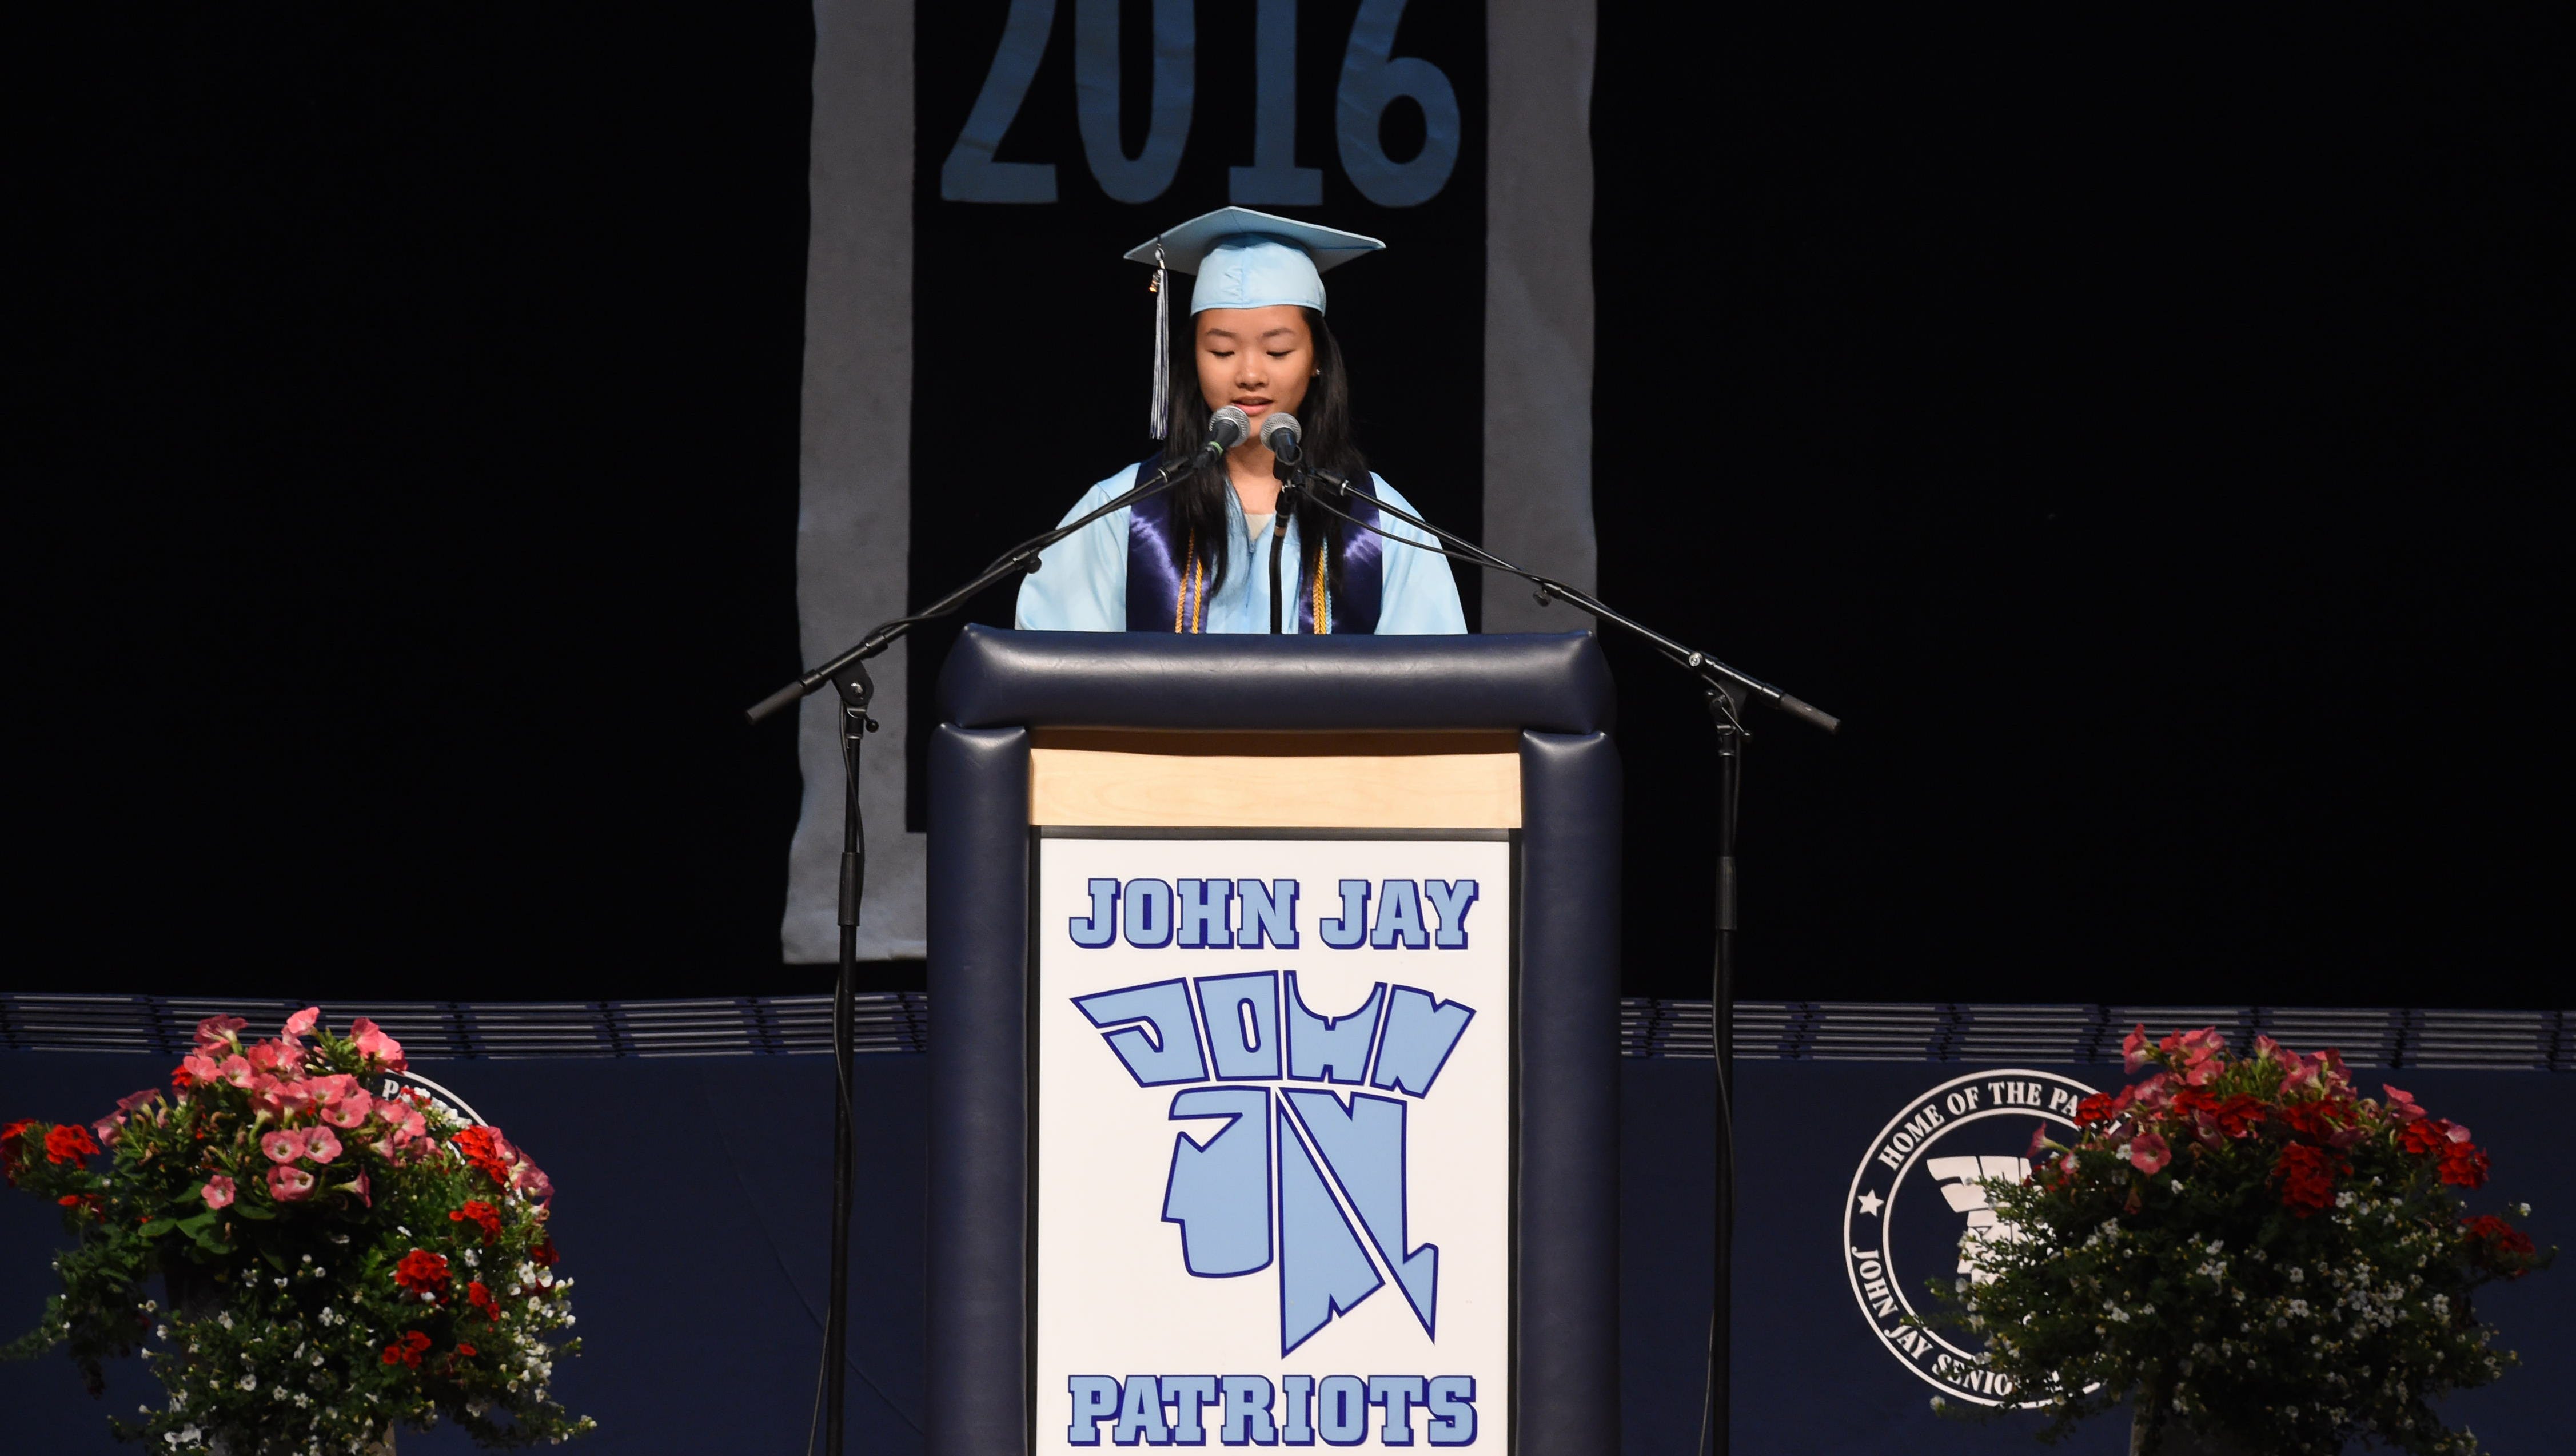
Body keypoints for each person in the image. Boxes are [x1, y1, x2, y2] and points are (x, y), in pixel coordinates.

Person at [1014, 208, 1466, 635]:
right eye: (1222, 352)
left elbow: (1437, 690)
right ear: (1193, 358)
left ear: (1318, 361)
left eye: (1278, 351)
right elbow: (1052, 676)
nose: (1250, 375)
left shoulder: (1380, 523)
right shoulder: (1123, 513)